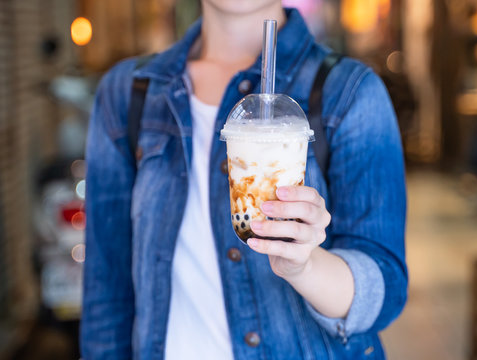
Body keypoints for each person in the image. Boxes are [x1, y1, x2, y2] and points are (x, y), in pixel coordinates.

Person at [81, 1, 407, 359]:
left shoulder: (349, 92)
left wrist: (305, 265)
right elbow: (106, 288)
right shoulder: (129, 94)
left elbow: (385, 290)